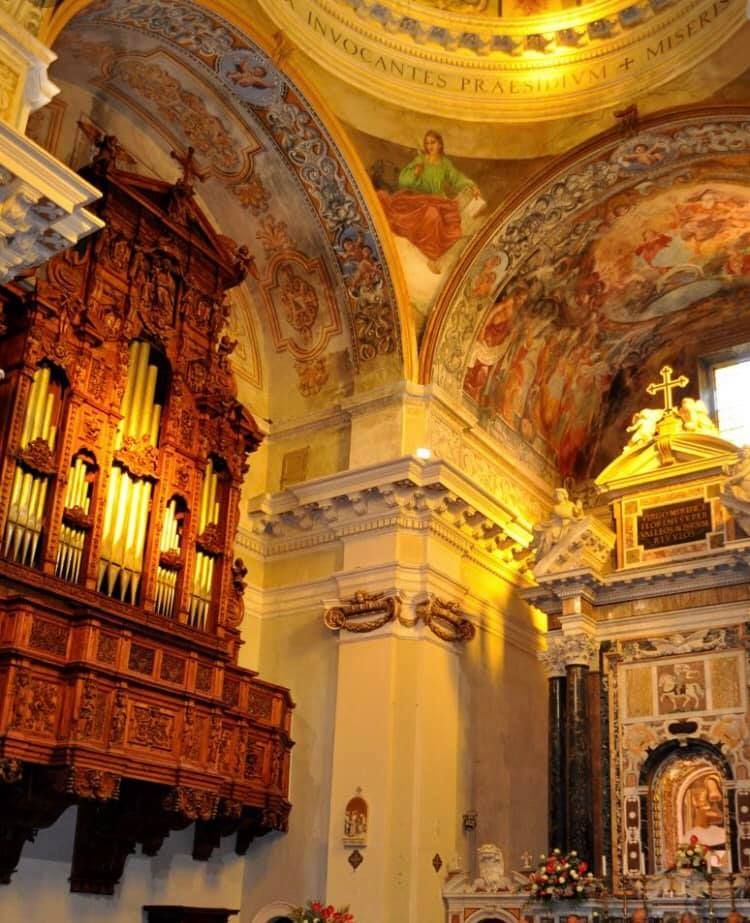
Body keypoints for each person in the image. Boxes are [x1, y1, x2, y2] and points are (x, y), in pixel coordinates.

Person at [377, 130, 481, 271]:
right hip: (417, 198)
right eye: (427, 143)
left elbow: (456, 179)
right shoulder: (421, 160)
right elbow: (403, 180)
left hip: (436, 200)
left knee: (434, 215)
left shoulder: (445, 164)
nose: (430, 146)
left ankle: (434, 257)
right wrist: (415, 173)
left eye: (433, 142)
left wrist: (471, 185)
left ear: (440, 144)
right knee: (421, 214)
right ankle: (431, 254)